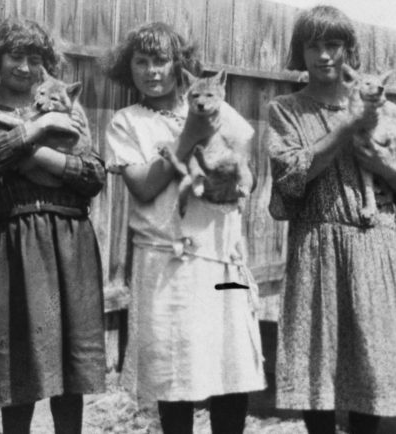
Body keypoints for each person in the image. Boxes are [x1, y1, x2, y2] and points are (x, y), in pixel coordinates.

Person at [103, 22, 265, 434]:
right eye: (142, 61)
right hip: (167, 262)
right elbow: (142, 187)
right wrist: (189, 136)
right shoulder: (127, 122)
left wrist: (239, 178)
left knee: (229, 367)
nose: (152, 71)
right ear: (130, 66)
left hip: (220, 255)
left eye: (161, 60)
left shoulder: (215, 105)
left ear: (180, 66)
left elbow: (246, 164)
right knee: (174, 373)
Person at [266, 5, 396, 434]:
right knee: (317, 362)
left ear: (349, 49)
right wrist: (347, 126)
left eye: (333, 44)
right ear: (300, 52)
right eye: (312, 45)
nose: (324, 55)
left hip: (372, 243)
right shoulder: (286, 111)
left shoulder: (389, 113)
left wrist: (388, 168)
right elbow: (291, 175)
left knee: (369, 363)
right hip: (316, 244)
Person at [0, 19, 107, 434]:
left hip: (69, 240)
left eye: (34, 59)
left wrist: (34, 155)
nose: (24, 67)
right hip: (11, 243)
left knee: (70, 366)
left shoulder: (72, 112)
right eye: (15, 56)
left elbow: (93, 176)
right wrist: (38, 130)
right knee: (14, 364)